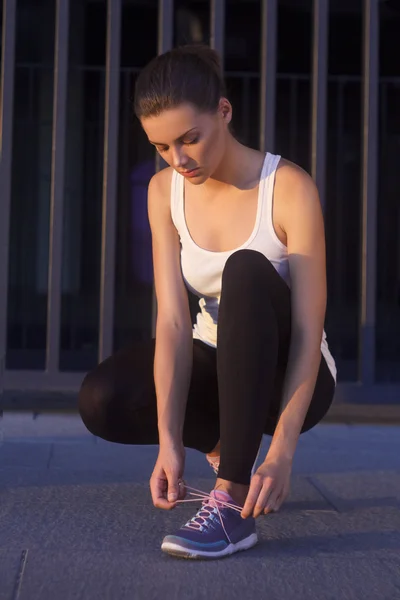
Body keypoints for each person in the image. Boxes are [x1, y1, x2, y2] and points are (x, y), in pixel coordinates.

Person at [78, 44, 337, 560]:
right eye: (163, 146)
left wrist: (283, 451)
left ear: (224, 111)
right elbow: (174, 322)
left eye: (189, 138)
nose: (180, 160)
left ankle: (231, 504)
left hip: (289, 373)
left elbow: (310, 327)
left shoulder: (286, 187)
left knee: (245, 268)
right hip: (218, 360)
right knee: (102, 398)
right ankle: (225, 452)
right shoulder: (162, 192)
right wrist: (168, 440)